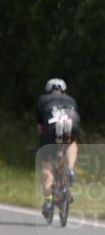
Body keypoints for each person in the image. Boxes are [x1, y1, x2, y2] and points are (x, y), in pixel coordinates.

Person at [36, 78, 81, 219]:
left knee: (47, 164)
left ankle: (48, 201)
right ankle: (71, 169)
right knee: (72, 141)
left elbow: (40, 127)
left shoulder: (43, 100)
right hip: (71, 123)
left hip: (51, 127)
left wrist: (43, 146)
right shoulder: (71, 100)